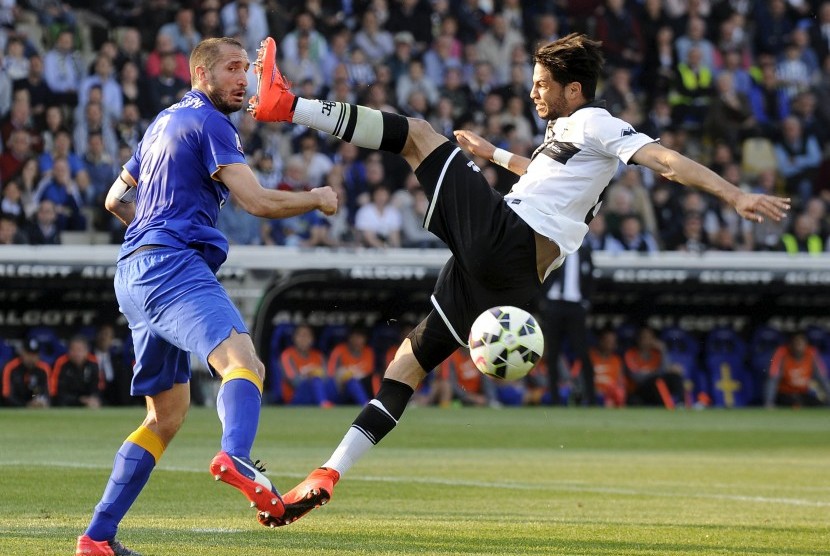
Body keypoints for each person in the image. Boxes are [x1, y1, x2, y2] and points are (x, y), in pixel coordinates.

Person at [246, 33, 790, 527]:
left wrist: (735, 195)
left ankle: (285, 104)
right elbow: (547, 178)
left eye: (541, 85)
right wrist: (495, 155)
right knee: (406, 366)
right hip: (511, 280)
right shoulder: (570, 135)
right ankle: (328, 474)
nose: (533, 94)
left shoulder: (598, 122)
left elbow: (666, 160)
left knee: (416, 133)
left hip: (508, 241)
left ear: (573, 89)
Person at [74, 37, 337, 556]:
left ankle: (97, 538)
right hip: (172, 264)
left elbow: (114, 199)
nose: (245, 79)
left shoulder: (159, 124)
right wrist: (318, 199)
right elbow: (258, 202)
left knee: (165, 416)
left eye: (247, 69)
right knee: (244, 363)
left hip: (133, 269)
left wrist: (150, 232)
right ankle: (236, 456)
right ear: (202, 74)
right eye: (233, 69)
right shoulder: (213, 124)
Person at [539, 239, 595, 405]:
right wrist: (543, 300)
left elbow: (590, 279)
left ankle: (591, 398)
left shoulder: (585, 251)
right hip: (554, 303)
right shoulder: (554, 247)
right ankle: (554, 398)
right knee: (553, 353)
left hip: (575, 305)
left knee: (583, 352)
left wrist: (586, 301)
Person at [765, 332, 830, 408]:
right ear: (790, 344)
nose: (798, 346)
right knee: (795, 404)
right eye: (796, 342)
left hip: (803, 393)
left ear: (806, 344)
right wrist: (769, 402)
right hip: (785, 394)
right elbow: (773, 378)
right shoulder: (782, 352)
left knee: (819, 405)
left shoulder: (811, 353)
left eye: (801, 343)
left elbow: (822, 377)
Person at [279, 325, 332, 407]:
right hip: (295, 396)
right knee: (315, 379)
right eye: (300, 335)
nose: (303, 339)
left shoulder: (319, 356)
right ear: (294, 338)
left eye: (307, 335)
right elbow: (293, 381)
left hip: (316, 393)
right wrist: (308, 373)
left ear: (312, 339)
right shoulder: (287, 355)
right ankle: (323, 403)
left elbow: (328, 378)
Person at [50, 335, 103, 408]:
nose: (77, 354)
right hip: (66, 403)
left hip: (88, 403)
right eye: (73, 350)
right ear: (68, 351)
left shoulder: (93, 363)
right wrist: (80, 400)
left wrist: (93, 399)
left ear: (86, 351)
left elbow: (97, 388)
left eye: (80, 350)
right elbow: (57, 392)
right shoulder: (61, 363)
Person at [1, 338, 51, 408]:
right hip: (13, 408)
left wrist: (39, 401)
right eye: (28, 354)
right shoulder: (10, 367)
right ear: (22, 353)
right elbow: (6, 395)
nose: (31, 358)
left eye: (34, 354)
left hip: (34, 407)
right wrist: (25, 405)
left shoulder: (43, 368)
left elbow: (45, 391)